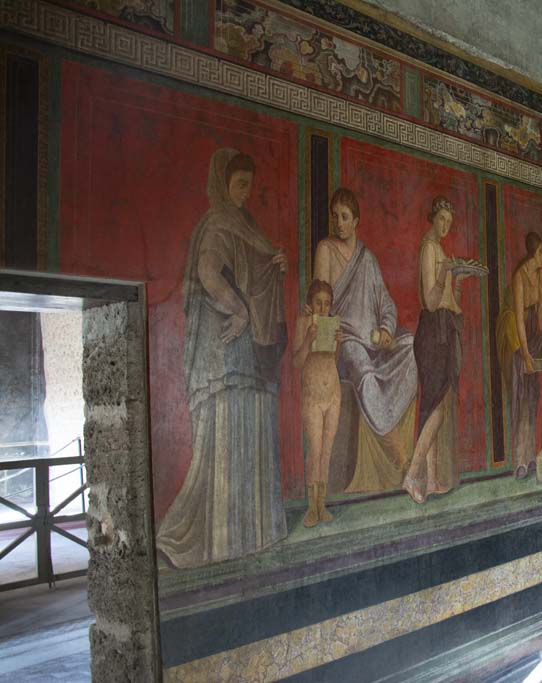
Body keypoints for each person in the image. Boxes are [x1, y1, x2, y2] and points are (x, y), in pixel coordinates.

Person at [157, 149, 288, 568]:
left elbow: (257, 267)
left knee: (253, 425)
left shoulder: (246, 224)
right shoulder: (216, 225)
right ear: (222, 183)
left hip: (250, 350)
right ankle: (223, 538)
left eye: (249, 184)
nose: (246, 192)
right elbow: (210, 274)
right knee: (231, 431)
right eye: (239, 184)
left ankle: (255, 531)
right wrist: (240, 309)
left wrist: (277, 262)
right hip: (227, 348)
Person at [313, 188, 418, 494]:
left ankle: (401, 455)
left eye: (344, 217)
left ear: (356, 221)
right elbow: (321, 305)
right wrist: (324, 353)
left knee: (411, 347)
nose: (338, 223)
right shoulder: (325, 250)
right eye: (335, 216)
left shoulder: (367, 258)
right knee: (367, 375)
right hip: (346, 343)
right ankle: (402, 460)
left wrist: (386, 329)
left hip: (374, 343)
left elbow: (386, 302)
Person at [404, 197, 474, 503]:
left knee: (439, 408)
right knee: (435, 409)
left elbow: (451, 304)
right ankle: (412, 474)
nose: (445, 225)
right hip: (433, 333)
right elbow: (431, 303)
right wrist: (447, 271)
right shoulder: (429, 248)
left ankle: (431, 480)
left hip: (444, 329)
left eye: (449, 221)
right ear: (433, 218)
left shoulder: (440, 250)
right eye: (441, 219)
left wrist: (458, 278)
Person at [496, 232, 542, 478]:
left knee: (533, 395)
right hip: (513, 334)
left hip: (532, 333)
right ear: (534, 254)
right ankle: (520, 461)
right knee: (521, 396)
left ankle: (531, 456)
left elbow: (541, 311)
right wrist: (525, 352)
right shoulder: (519, 276)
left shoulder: (540, 274)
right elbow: (520, 321)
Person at [292, 280, 344, 527]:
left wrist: (339, 343)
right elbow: (297, 363)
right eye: (319, 303)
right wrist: (308, 339)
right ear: (310, 304)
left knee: (327, 451)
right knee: (314, 449)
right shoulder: (304, 323)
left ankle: (322, 505)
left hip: (333, 393)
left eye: (327, 304)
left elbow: (333, 359)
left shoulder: (332, 325)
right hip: (312, 396)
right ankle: (311, 508)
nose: (323, 309)